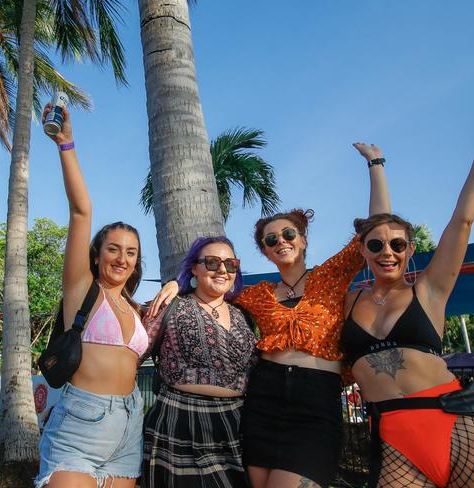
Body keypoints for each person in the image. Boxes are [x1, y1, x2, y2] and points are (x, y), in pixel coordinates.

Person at [149, 143, 391, 488]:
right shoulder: (257, 294)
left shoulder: (331, 276)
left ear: (303, 240)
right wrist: (177, 282)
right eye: (271, 239)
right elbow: (214, 284)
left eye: (289, 234)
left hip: (315, 403)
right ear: (264, 251)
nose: (281, 241)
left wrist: (376, 165)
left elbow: (378, 230)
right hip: (263, 401)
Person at [339, 102, 474, 487]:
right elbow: (378, 221)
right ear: (362, 250)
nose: (387, 252)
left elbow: (462, 218)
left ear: (411, 250)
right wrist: (376, 165)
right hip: (394, 435)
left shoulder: (428, 288)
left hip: (457, 424)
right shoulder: (348, 300)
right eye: (376, 246)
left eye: (398, 245)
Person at [34, 105, 147, 488]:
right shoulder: (82, 288)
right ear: (97, 255)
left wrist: (171, 286)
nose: (122, 258)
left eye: (131, 252)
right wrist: (66, 145)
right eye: (113, 249)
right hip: (81, 423)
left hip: (131, 425)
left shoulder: (134, 307)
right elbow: (82, 211)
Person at [141, 236, 257, 487]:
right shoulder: (172, 305)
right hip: (178, 422)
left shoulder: (244, 314)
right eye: (213, 262)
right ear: (194, 268)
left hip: (236, 426)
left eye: (231, 263)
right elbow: (132, 355)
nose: (223, 270)